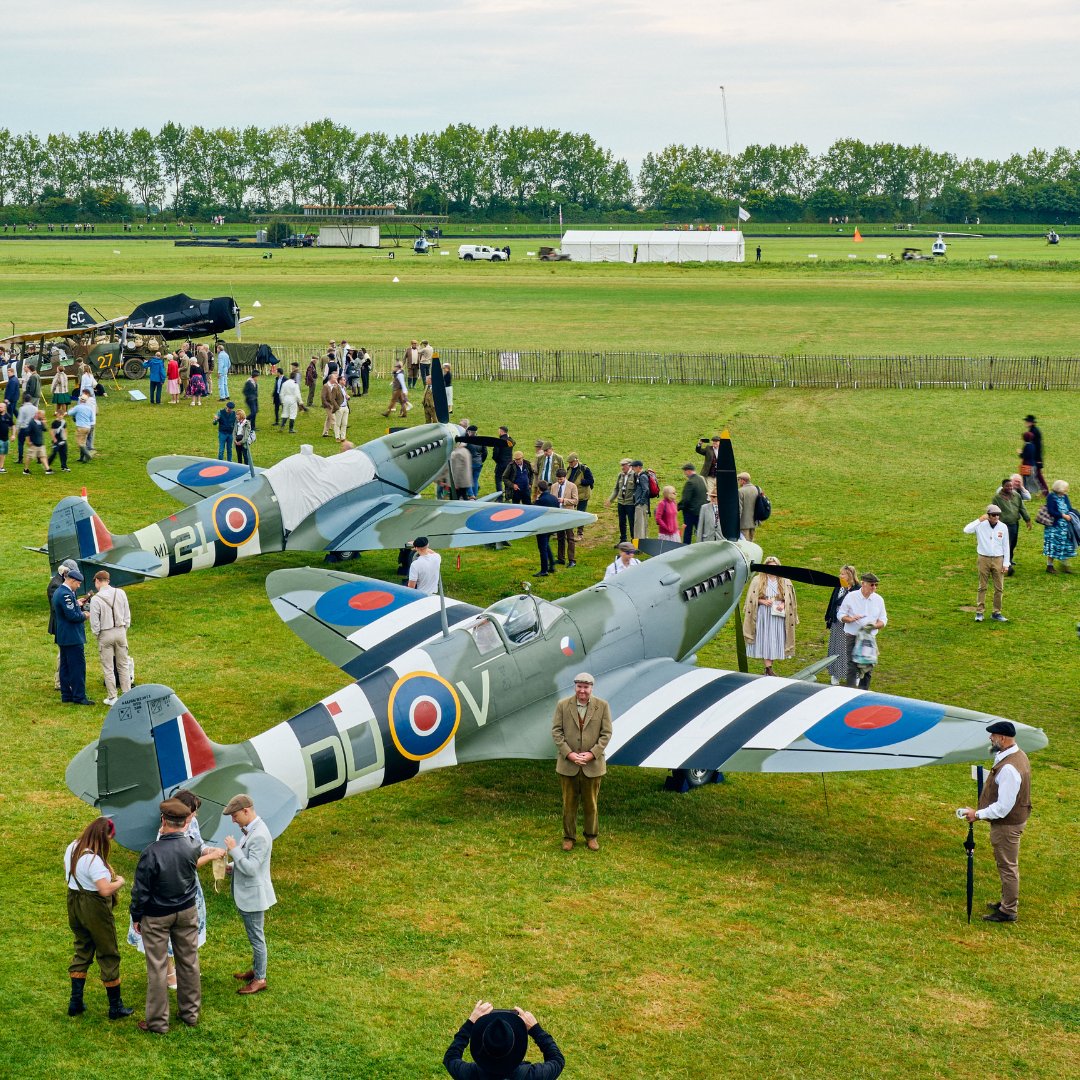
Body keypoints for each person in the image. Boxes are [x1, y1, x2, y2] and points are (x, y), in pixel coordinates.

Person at [127, 798, 204, 1032]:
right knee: (189, 962)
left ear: (164, 820)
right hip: (187, 911)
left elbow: (141, 891)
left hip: (157, 915)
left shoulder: (151, 852)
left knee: (158, 968)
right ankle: (190, 1013)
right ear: (184, 822)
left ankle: (158, 1022)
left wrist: (136, 916)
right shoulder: (192, 846)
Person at [961, 721, 1032, 923]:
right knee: (1006, 864)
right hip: (1012, 821)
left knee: (1007, 866)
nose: (990, 739)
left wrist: (978, 814)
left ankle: (1008, 910)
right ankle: (1006, 901)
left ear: (1002, 738)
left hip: (1007, 826)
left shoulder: (1009, 768)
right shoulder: (1016, 756)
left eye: (993, 736)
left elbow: (1003, 807)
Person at [64, 817, 133, 1020]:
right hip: (94, 908)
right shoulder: (93, 860)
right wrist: (119, 882)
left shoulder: (73, 847)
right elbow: (104, 890)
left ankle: (75, 1003)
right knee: (108, 952)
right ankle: (115, 1007)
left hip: (74, 903)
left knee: (82, 948)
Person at [551, 672, 612, 851]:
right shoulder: (563, 705)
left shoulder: (602, 706)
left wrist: (592, 754)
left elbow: (606, 733)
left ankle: (591, 836)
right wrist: (569, 754)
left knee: (591, 804)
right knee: (568, 804)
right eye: (579, 687)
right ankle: (569, 837)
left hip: (592, 765)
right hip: (568, 765)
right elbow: (556, 732)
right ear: (575, 687)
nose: (582, 691)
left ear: (591, 688)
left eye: (586, 687)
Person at [223, 793, 275, 995]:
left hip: (253, 897)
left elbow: (252, 868)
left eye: (235, 816)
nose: (233, 820)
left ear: (246, 811)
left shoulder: (260, 834)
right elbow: (248, 859)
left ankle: (260, 978)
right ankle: (256, 970)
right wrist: (232, 866)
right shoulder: (252, 830)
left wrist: (234, 850)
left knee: (256, 938)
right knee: (255, 935)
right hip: (249, 894)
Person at [444, 1001, 564, 1079]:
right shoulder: (533, 1076)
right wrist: (535, 1029)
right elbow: (557, 1060)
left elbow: (451, 1057)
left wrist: (470, 1023)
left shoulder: (470, 1075)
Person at [742, 556, 798, 676]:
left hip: (778, 614)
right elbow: (751, 598)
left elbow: (790, 599)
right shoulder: (758, 580)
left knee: (775, 639)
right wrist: (762, 601)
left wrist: (783, 604)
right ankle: (769, 668)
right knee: (765, 638)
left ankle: (768, 668)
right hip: (763, 614)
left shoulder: (785, 581)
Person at [837, 572, 887, 690]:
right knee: (852, 666)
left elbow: (883, 619)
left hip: (869, 637)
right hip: (852, 635)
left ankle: (863, 692)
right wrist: (849, 619)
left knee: (868, 666)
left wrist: (874, 626)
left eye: (876, 585)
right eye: (872, 585)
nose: (874, 587)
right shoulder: (851, 596)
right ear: (863, 584)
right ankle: (849, 691)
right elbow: (840, 614)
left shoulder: (879, 600)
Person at [53, 564, 95, 705]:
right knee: (77, 667)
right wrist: (85, 615)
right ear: (71, 580)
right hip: (72, 637)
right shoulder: (66, 594)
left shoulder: (61, 592)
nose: (78, 586)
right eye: (77, 583)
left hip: (64, 636)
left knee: (65, 667)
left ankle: (67, 695)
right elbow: (72, 616)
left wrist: (77, 603)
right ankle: (79, 696)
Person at [89, 570, 132, 705]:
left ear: (97, 581)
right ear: (108, 580)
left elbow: (94, 622)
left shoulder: (96, 599)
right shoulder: (121, 593)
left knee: (108, 667)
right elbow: (127, 614)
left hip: (105, 633)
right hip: (120, 631)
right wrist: (124, 628)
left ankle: (113, 697)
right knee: (123, 665)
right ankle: (127, 694)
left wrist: (97, 634)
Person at [964, 506, 1010, 622]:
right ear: (988, 515)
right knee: (982, 586)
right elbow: (966, 530)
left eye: (998, 514)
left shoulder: (1003, 527)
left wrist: (1006, 563)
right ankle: (979, 612)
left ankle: (997, 612)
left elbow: (1006, 546)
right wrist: (979, 520)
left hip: (998, 559)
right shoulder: (980, 525)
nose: (996, 517)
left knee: (999, 588)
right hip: (983, 558)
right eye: (993, 515)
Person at [824, 565, 858, 685]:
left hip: (851, 622)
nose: (840, 576)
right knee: (837, 647)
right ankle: (836, 674)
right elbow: (832, 602)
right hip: (837, 622)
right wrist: (829, 617)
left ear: (849, 575)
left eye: (842, 574)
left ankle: (855, 675)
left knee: (851, 648)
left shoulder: (857, 589)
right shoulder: (838, 586)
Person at [993, 477, 1031, 574]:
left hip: (1014, 524)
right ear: (1002, 486)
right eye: (1007, 486)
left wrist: (1027, 519)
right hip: (1003, 525)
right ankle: (1005, 563)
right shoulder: (997, 498)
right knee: (1005, 544)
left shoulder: (1016, 495)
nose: (1009, 488)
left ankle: (1009, 559)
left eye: (1011, 486)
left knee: (1013, 543)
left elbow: (1022, 508)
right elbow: (994, 511)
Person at [1042, 479, 1076, 573]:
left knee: (1065, 544)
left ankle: (1065, 566)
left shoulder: (1065, 496)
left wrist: (1072, 514)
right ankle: (1049, 566)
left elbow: (1069, 508)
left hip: (1065, 527)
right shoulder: (1051, 497)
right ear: (1059, 488)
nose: (1066, 490)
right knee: (1053, 546)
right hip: (1054, 527)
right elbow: (1051, 511)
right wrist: (1063, 515)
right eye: (1065, 488)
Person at [551, 469, 578, 567]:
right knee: (560, 537)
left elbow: (575, 501)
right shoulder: (554, 486)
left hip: (568, 514)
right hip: (558, 515)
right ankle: (561, 558)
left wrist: (564, 501)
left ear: (565, 477)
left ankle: (572, 560)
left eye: (561, 479)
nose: (559, 481)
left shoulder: (572, 486)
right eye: (558, 479)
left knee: (570, 538)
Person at [606, 458, 637, 543]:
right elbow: (616, 489)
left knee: (632, 524)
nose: (622, 467)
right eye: (621, 465)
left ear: (630, 465)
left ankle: (634, 542)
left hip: (631, 504)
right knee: (622, 523)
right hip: (621, 503)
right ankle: (623, 540)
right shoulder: (620, 475)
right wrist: (610, 499)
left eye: (624, 465)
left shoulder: (635, 475)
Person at [533, 481, 558, 576]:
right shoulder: (554, 498)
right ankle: (552, 565)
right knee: (546, 545)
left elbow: (534, 512)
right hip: (552, 526)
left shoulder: (541, 500)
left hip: (542, 527)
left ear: (539, 489)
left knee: (542, 548)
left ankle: (544, 570)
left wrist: (536, 500)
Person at [678, 463, 707, 543]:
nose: (684, 473)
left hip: (690, 512)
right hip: (700, 511)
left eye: (685, 471)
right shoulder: (701, 479)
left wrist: (677, 507)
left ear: (689, 471)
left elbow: (686, 500)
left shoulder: (690, 482)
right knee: (700, 532)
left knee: (688, 532)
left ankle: (686, 547)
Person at [565, 453, 593, 537]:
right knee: (570, 513)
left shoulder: (585, 469)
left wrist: (582, 482)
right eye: (569, 462)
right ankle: (570, 533)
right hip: (572, 495)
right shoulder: (569, 468)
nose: (570, 464)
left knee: (581, 514)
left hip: (582, 496)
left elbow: (591, 481)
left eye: (571, 462)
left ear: (576, 460)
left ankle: (580, 533)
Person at [23, 407, 52, 475]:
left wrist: (44, 423)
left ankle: (47, 469)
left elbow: (45, 430)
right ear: (38, 414)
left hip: (40, 443)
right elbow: (27, 432)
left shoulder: (40, 422)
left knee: (43, 456)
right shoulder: (32, 422)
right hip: (33, 444)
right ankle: (25, 470)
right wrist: (28, 441)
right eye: (42, 415)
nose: (43, 417)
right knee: (29, 457)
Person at [1023, 414, 1047, 496]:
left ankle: (1045, 491)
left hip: (1036, 457)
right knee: (1037, 474)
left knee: (1038, 474)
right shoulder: (1033, 430)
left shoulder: (1034, 431)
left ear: (1031, 422)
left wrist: (1038, 459)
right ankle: (1044, 491)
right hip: (1034, 457)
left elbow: (1038, 446)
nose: (1025, 423)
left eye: (1027, 421)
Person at [629, 460, 652, 539]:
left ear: (639, 467)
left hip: (641, 505)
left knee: (639, 525)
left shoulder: (642, 476)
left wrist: (640, 501)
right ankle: (644, 543)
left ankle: (638, 546)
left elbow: (646, 490)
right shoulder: (640, 475)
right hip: (642, 504)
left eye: (633, 467)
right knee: (643, 524)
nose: (632, 469)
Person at [737, 472, 760, 541]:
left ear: (743, 480)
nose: (738, 482)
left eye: (739, 480)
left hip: (743, 524)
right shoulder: (757, 489)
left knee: (745, 545)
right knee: (751, 543)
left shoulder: (740, 491)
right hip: (754, 522)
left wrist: (736, 523)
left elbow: (739, 509)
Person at [322, 371, 345, 437]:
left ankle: (325, 432)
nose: (336, 379)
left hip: (333, 405)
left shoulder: (336, 386)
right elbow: (323, 397)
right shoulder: (326, 386)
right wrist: (327, 404)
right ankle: (338, 434)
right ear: (331, 379)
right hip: (328, 405)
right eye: (335, 378)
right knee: (333, 419)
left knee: (329, 419)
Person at [0, 400, 11, 473]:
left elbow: (12, 425)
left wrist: (13, 434)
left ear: (4, 408)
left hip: (5, 438)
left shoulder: (8, 416)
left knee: (3, 453)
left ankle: (1, 467)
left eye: (1, 407)